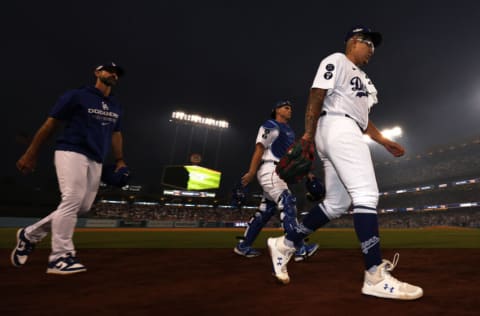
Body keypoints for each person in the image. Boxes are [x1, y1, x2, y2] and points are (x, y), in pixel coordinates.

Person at [267, 26, 424, 300]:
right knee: (366, 194)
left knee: (336, 204)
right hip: (336, 126)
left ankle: (286, 242)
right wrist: (307, 134)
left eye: (374, 47)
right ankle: (374, 275)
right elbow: (317, 94)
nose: (372, 50)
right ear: (353, 42)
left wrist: (384, 141)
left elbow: (362, 119)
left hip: (344, 128)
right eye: (368, 44)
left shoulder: (366, 81)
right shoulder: (337, 60)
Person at [12, 61, 128, 275]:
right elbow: (51, 124)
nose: (113, 74)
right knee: (72, 198)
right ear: (96, 72)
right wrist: (31, 153)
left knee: (81, 207)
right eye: (108, 70)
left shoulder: (116, 106)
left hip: (96, 159)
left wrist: (120, 159)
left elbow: (116, 134)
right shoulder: (77, 95)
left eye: (116, 73)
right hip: (71, 150)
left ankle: (29, 234)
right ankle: (60, 258)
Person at [234, 100, 319, 262]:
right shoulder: (270, 124)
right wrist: (252, 171)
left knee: (265, 211)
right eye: (286, 108)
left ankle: (243, 246)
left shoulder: (289, 131)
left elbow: (293, 157)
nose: (290, 110)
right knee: (287, 202)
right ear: (277, 110)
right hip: (270, 170)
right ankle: (299, 247)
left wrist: (309, 174)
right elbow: (259, 148)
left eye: (291, 108)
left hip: (279, 172)